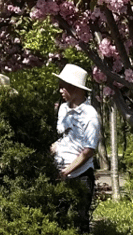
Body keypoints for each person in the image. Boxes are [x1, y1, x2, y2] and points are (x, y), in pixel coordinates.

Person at [50, 63, 100, 233]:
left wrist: (66, 172)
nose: (60, 91)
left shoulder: (90, 115)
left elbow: (89, 150)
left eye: (63, 87)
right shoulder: (63, 109)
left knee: (79, 223)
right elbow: (64, 138)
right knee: (59, 220)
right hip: (61, 173)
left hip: (80, 176)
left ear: (75, 88)